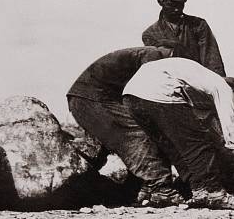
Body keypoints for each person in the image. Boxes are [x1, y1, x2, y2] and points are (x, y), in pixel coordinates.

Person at [122, 56, 234, 210]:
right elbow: (231, 132)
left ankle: (195, 189)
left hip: (131, 94)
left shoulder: (197, 85)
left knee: (174, 148)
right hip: (158, 90)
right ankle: (213, 193)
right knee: (198, 145)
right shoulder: (223, 88)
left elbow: (211, 131)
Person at [66, 46, 184, 207]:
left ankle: (138, 190)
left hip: (87, 98)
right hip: (92, 98)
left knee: (115, 143)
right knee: (139, 136)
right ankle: (162, 190)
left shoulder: (143, 54)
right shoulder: (154, 55)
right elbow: (152, 91)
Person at [142, 0, 226, 76]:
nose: (177, 9)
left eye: (180, 5)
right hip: (169, 83)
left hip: (199, 80)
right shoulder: (150, 34)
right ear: (160, 1)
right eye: (172, 4)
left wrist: (219, 84)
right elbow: (156, 68)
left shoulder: (198, 25)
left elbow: (212, 60)